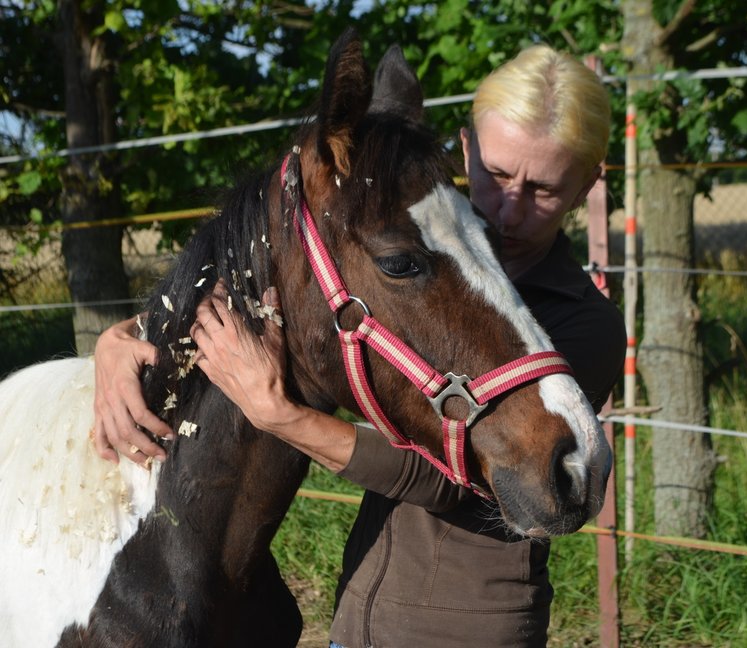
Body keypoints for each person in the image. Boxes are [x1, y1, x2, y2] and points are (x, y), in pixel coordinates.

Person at [93, 44, 626, 647]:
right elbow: (297, 303)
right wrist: (124, 339)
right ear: (466, 150)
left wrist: (282, 416)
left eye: (545, 190)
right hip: (360, 616)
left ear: (587, 187)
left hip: (470, 630)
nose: (507, 209)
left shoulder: (585, 326)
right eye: (497, 175)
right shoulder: (442, 253)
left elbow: (447, 477)